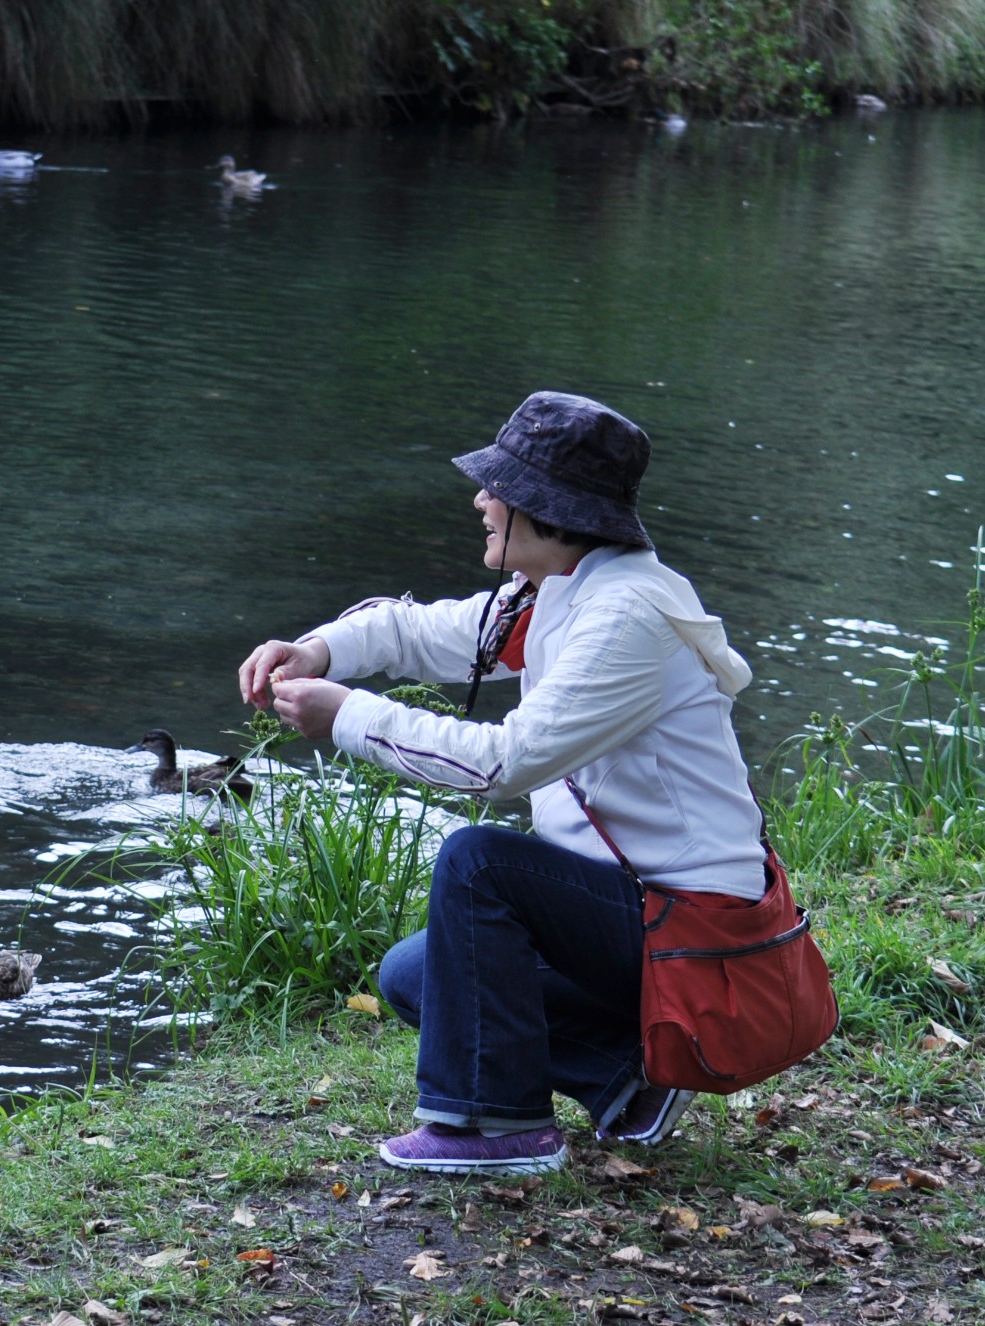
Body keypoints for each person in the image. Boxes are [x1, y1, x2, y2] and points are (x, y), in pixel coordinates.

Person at [237, 391, 765, 1175]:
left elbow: (499, 767)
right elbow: (427, 630)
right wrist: (320, 650)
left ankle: (494, 1126)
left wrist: (347, 717)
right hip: (643, 909)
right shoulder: (565, 587)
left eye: (501, 489)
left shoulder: (625, 617)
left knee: (479, 860)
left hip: (700, 929)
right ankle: (626, 1074)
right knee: (414, 976)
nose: (482, 500)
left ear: (550, 511)